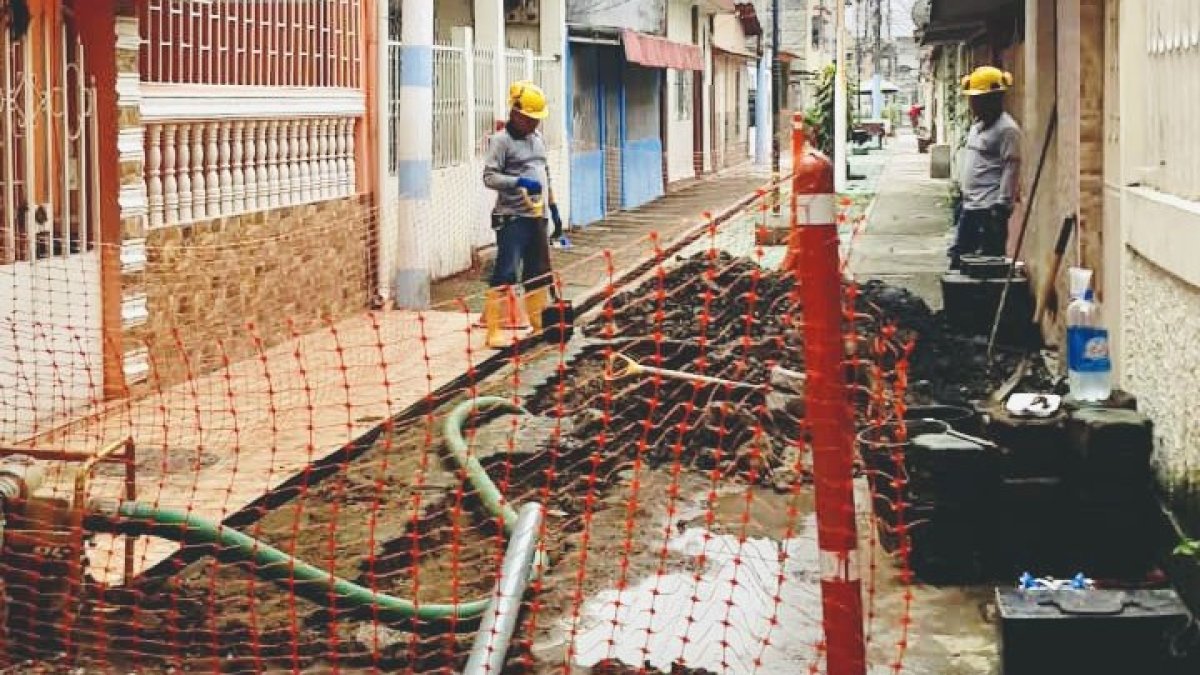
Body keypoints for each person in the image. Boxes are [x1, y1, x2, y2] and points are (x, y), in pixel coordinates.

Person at [481, 81, 565, 349]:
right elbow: (490, 177)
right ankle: (494, 331)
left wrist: (553, 208)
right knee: (506, 271)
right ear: (516, 114)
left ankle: (539, 324)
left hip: (538, 216)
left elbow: (545, 172)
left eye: (537, 120)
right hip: (513, 217)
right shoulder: (501, 141)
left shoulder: (537, 139)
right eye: (530, 119)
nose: (534, 124)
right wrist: (518, 182)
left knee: (538, 272)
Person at [951, 66, 1022, 269]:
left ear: (994, 100)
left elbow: (1011, 168)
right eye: (972, 99)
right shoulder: (977, 126)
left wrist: (1002, 205)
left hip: (989, 211)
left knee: (985, 268)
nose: (973, 104)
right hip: (970, 206)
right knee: (959, 263)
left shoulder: (1007, 130)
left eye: (978, 100)